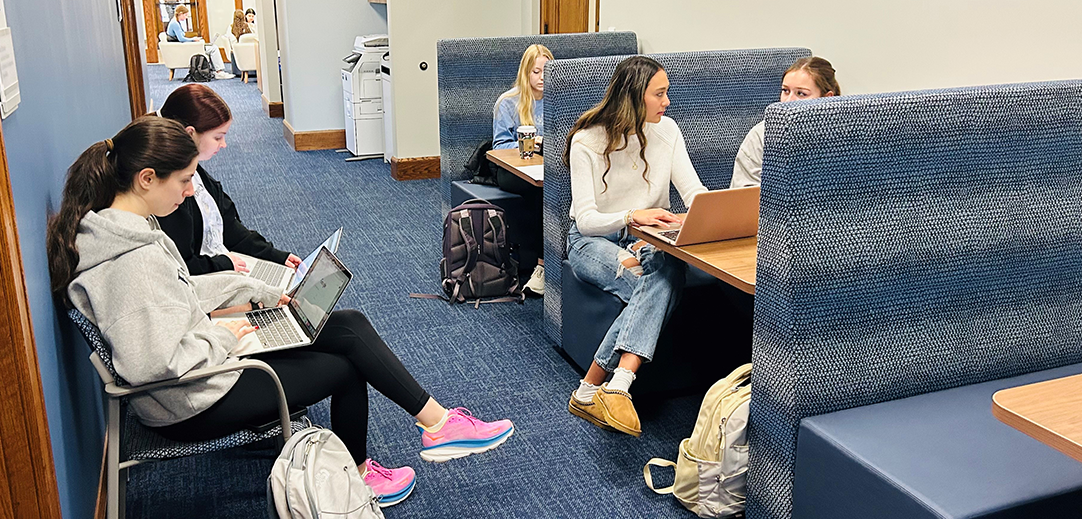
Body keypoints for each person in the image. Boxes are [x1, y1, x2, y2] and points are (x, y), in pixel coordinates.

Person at [46, 117, 515, 508]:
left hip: (201, 366)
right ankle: (363, 475)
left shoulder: (123, 228)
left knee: (348, 324)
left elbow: (180, 293)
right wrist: (232, 335)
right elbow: (152, 362)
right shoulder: (132, 261)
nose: (190, 192)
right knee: (344, 369)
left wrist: (253, 290)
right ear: (147, 178)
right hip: (190, 397)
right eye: (185, 180)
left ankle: (436, 424)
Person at [563, 56, 707, 437]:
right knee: (654, 286)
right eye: (660, 94)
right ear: (633, 96)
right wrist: (632, 216)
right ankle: (608, 385)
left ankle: (601, 387)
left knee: (671, 268)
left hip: (649, 237)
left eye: (667, 93)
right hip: (593, 241)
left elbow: (692, 192)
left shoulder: (668, 131)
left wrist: (711, 213)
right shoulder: (587, 140)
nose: (667, 102)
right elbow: (585, 218)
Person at [154, 84, 288, 275]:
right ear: (189, 134)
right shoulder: (169, 192)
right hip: (207, 280)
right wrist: (223, 264)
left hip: (222, 266)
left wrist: (275, 256)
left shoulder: (196, 174)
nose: (223, 144)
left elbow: (229, 226)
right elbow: (182, 266)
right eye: (218, 137)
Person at [492, 44, 554, 295]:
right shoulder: (508, 103)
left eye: (546, 72)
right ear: (526, 73)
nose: (541, 78)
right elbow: (499, 146)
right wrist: (532, 143)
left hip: (544, 169)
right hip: (511, 170)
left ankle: (555, 262)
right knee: (541, 193)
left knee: (553, 189)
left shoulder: (556, 101)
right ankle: (541, 266)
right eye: (536, 72)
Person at [730, 56, 840, 188]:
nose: (788, 101)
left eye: (801, 94)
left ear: (826, 98)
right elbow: (744, 198)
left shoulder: (844, 136)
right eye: (785, 91)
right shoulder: (762, 136)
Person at [165, 5, 234, 80]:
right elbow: (181, 39)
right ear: (180, 13)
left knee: (210, 47)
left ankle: (216, 71)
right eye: (185, 15)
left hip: (183, 47)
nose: (186, 17)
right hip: (185, 49)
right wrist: (193, 40)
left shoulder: (175, 22)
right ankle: (219, 71)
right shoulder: (175, 24)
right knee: (214, 48)